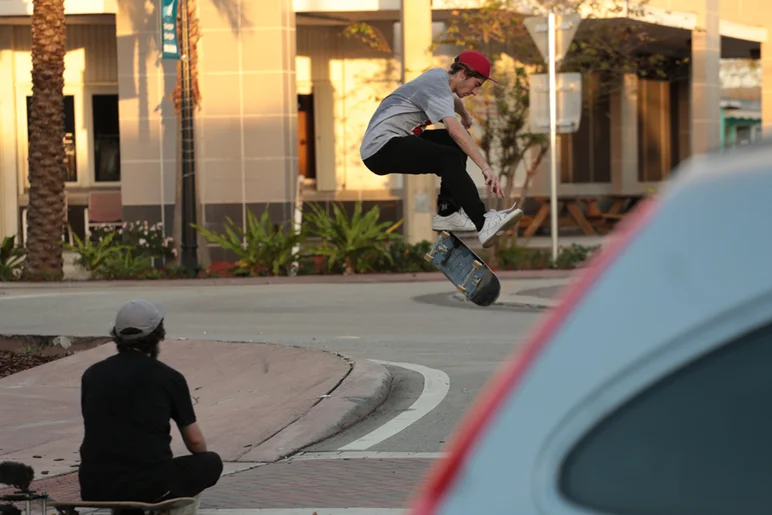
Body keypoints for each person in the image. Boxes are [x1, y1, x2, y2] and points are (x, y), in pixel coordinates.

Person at [360, 49, 523, 248]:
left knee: (453, 145)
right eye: (476, 85)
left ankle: (448, 212)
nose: (475, 92)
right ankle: (483, 221)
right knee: (449, 155)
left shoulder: (439, 81)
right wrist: (485, 168)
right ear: (463, 74)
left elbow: (452, 101)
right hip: (381, 147)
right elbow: (454, 129)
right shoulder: (436, 82)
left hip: (393, 141)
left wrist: (466, 116)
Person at [78, 299, 222, 509]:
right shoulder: (169, 378)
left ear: (117, 336)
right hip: (150, 486)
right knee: (210, 463)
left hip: (95, 486)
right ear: (158, 335)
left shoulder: (91, 375)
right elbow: (194, 441)